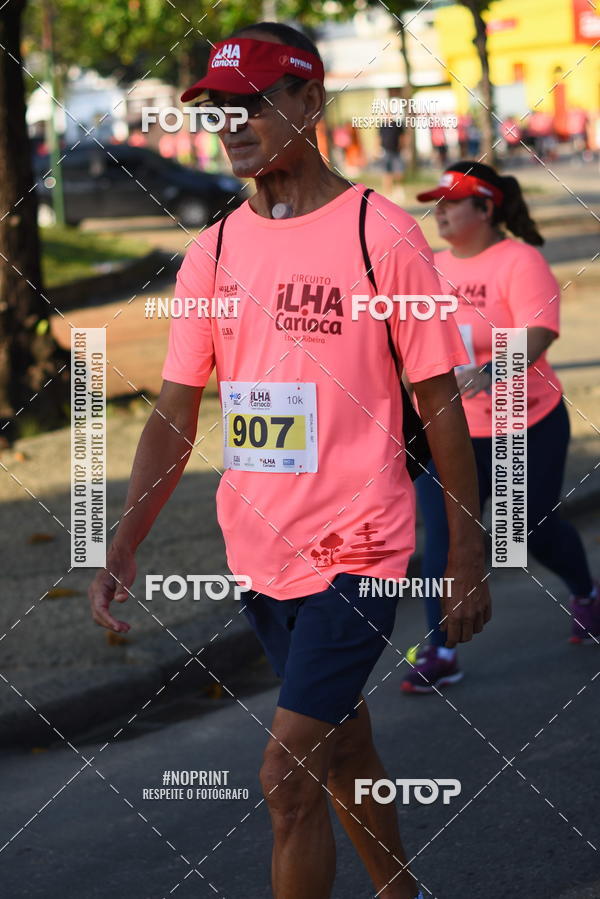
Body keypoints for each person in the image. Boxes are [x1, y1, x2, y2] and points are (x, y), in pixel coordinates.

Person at [88, 25, 491, 899]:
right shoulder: (214, 252)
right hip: (261, 551)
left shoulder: (381, 233)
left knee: (286, 774)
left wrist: (466, 552)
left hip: (361, 548)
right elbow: (175, 411)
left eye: (254, 104)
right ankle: (400, 891)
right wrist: (126, 536)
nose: (232, 125)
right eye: (219, 109)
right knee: (342, 747)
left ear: (310, 102)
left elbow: (438, 401)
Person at [401, 160, 599, 694]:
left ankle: (586, 594)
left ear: (486, 208)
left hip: (522, 422)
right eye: (437, 204)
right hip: (447, 430)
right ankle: (441, 650)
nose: (440, 213)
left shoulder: (519, 260)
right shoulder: (428, 268)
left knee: (527, 528)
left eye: (452, 203)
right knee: (443, 539)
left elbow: (538, 334)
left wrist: (488, 373)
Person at [378, 114, 405, 201]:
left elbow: (402, 137)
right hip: (385, 152)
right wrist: (377, 149)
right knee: (386, 173)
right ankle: (388, 193)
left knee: (398, 173)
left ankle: (399, 190)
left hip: (396, 152)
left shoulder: (398, 125)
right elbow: (379, 138)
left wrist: (402, 148)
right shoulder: (382, 126)